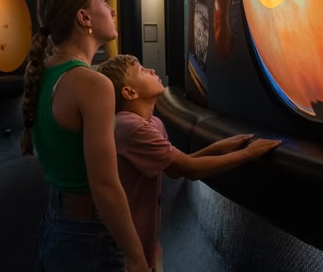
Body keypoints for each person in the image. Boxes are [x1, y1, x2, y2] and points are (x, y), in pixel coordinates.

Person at [97, 54, 283, 271]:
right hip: (124, 249)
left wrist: (217, 148)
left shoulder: (153, 123)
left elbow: (176, 169)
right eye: (142, 70)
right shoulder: (132, 127)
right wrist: (249, 154)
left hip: (147, 243)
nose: (152, 70)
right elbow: (192, 170)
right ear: (130, 92)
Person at [21, 0, 149, 272]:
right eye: (104, 2)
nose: (112, 10)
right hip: (87, 238)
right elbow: (104, 185)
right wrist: (135, 255)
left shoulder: (46, 73)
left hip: (55, 225)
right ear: (84, 17)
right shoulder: (92, 84)